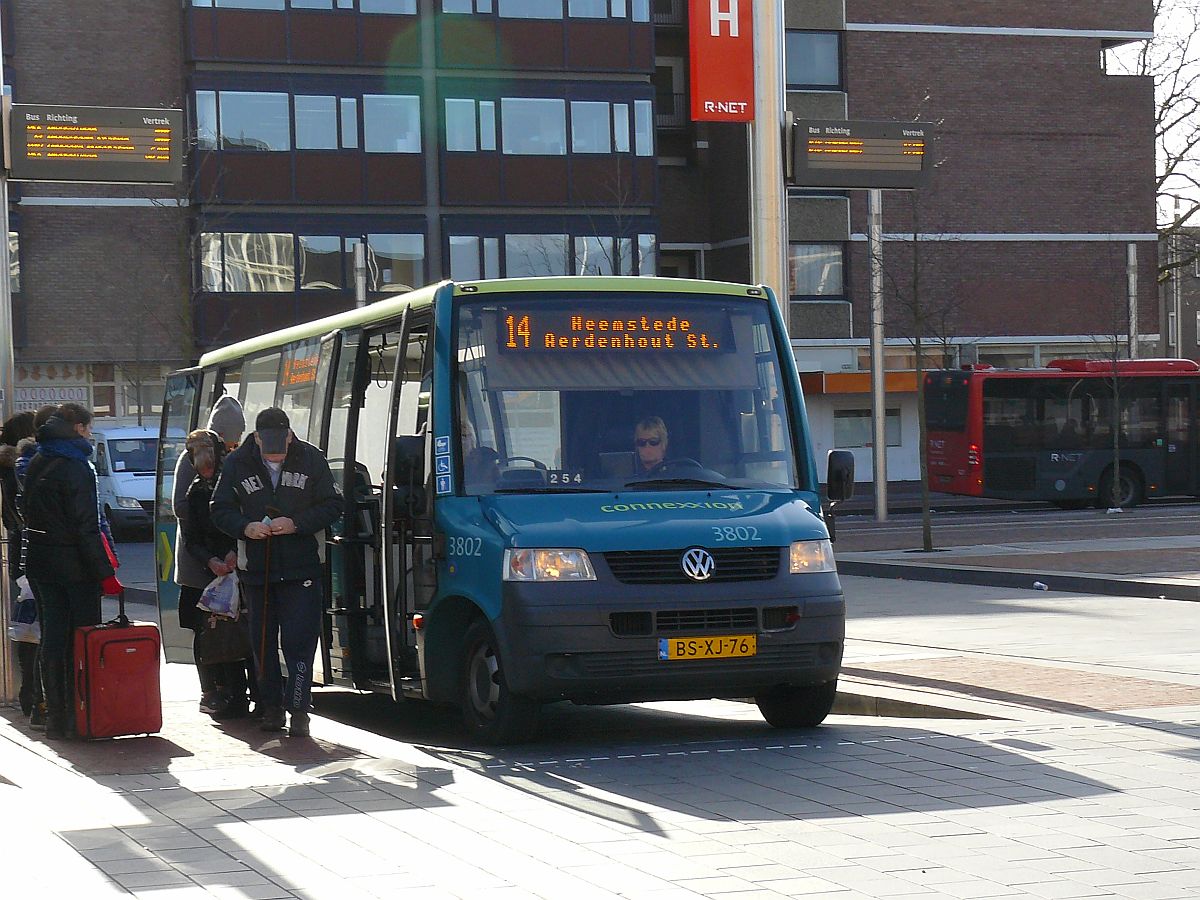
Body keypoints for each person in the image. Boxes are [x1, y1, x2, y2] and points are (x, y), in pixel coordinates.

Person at [211, 407, 341, 737]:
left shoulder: (312, 459)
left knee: (300, 641)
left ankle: (299, 709)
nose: (276, 457)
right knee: (263, 642)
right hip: (258, 569)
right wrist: (245, 527)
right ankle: (271, 707)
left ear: (290, 435)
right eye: (269, 451)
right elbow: (219, 508)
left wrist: (297, 524)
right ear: (255, 439)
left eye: (282, 448)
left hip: (302, 567)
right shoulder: (238, 462)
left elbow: (332, 504)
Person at [21, 403, 114, 740]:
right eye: (88, 428)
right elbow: (86, 526)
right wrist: (104, 572)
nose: (90, 434)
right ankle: (82, 714)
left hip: (42, 564)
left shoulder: (38, 460)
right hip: (76, 569)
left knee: (53, 639)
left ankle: (57, 718)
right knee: (83, 640)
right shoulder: (77, 466)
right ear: (77, 428)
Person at [173, 395, 246, 714]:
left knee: (229, 626)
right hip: (198, 564)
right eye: (231, 437)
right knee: (205, 629)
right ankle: (211, 690)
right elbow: (181, 509)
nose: (234, 443)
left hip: (224, 562)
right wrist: (212, 554)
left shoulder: (235, 460)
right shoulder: (192, 460)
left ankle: (229, 689)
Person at [1, 412, 40, 721]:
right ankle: (34, 695)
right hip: (31, 556)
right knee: (36, 628)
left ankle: (29, 692)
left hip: (17, 557)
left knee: (25, 627)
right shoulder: (25, 469)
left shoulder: (8, 469)